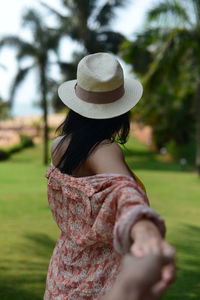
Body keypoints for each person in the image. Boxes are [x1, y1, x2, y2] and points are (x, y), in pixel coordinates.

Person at [44, 52, 176, 300]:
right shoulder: (104, 150)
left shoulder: (59, 145)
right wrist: (145, 229)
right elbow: (125, 193)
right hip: (101, 278)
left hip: (64, 268)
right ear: (121, 110)